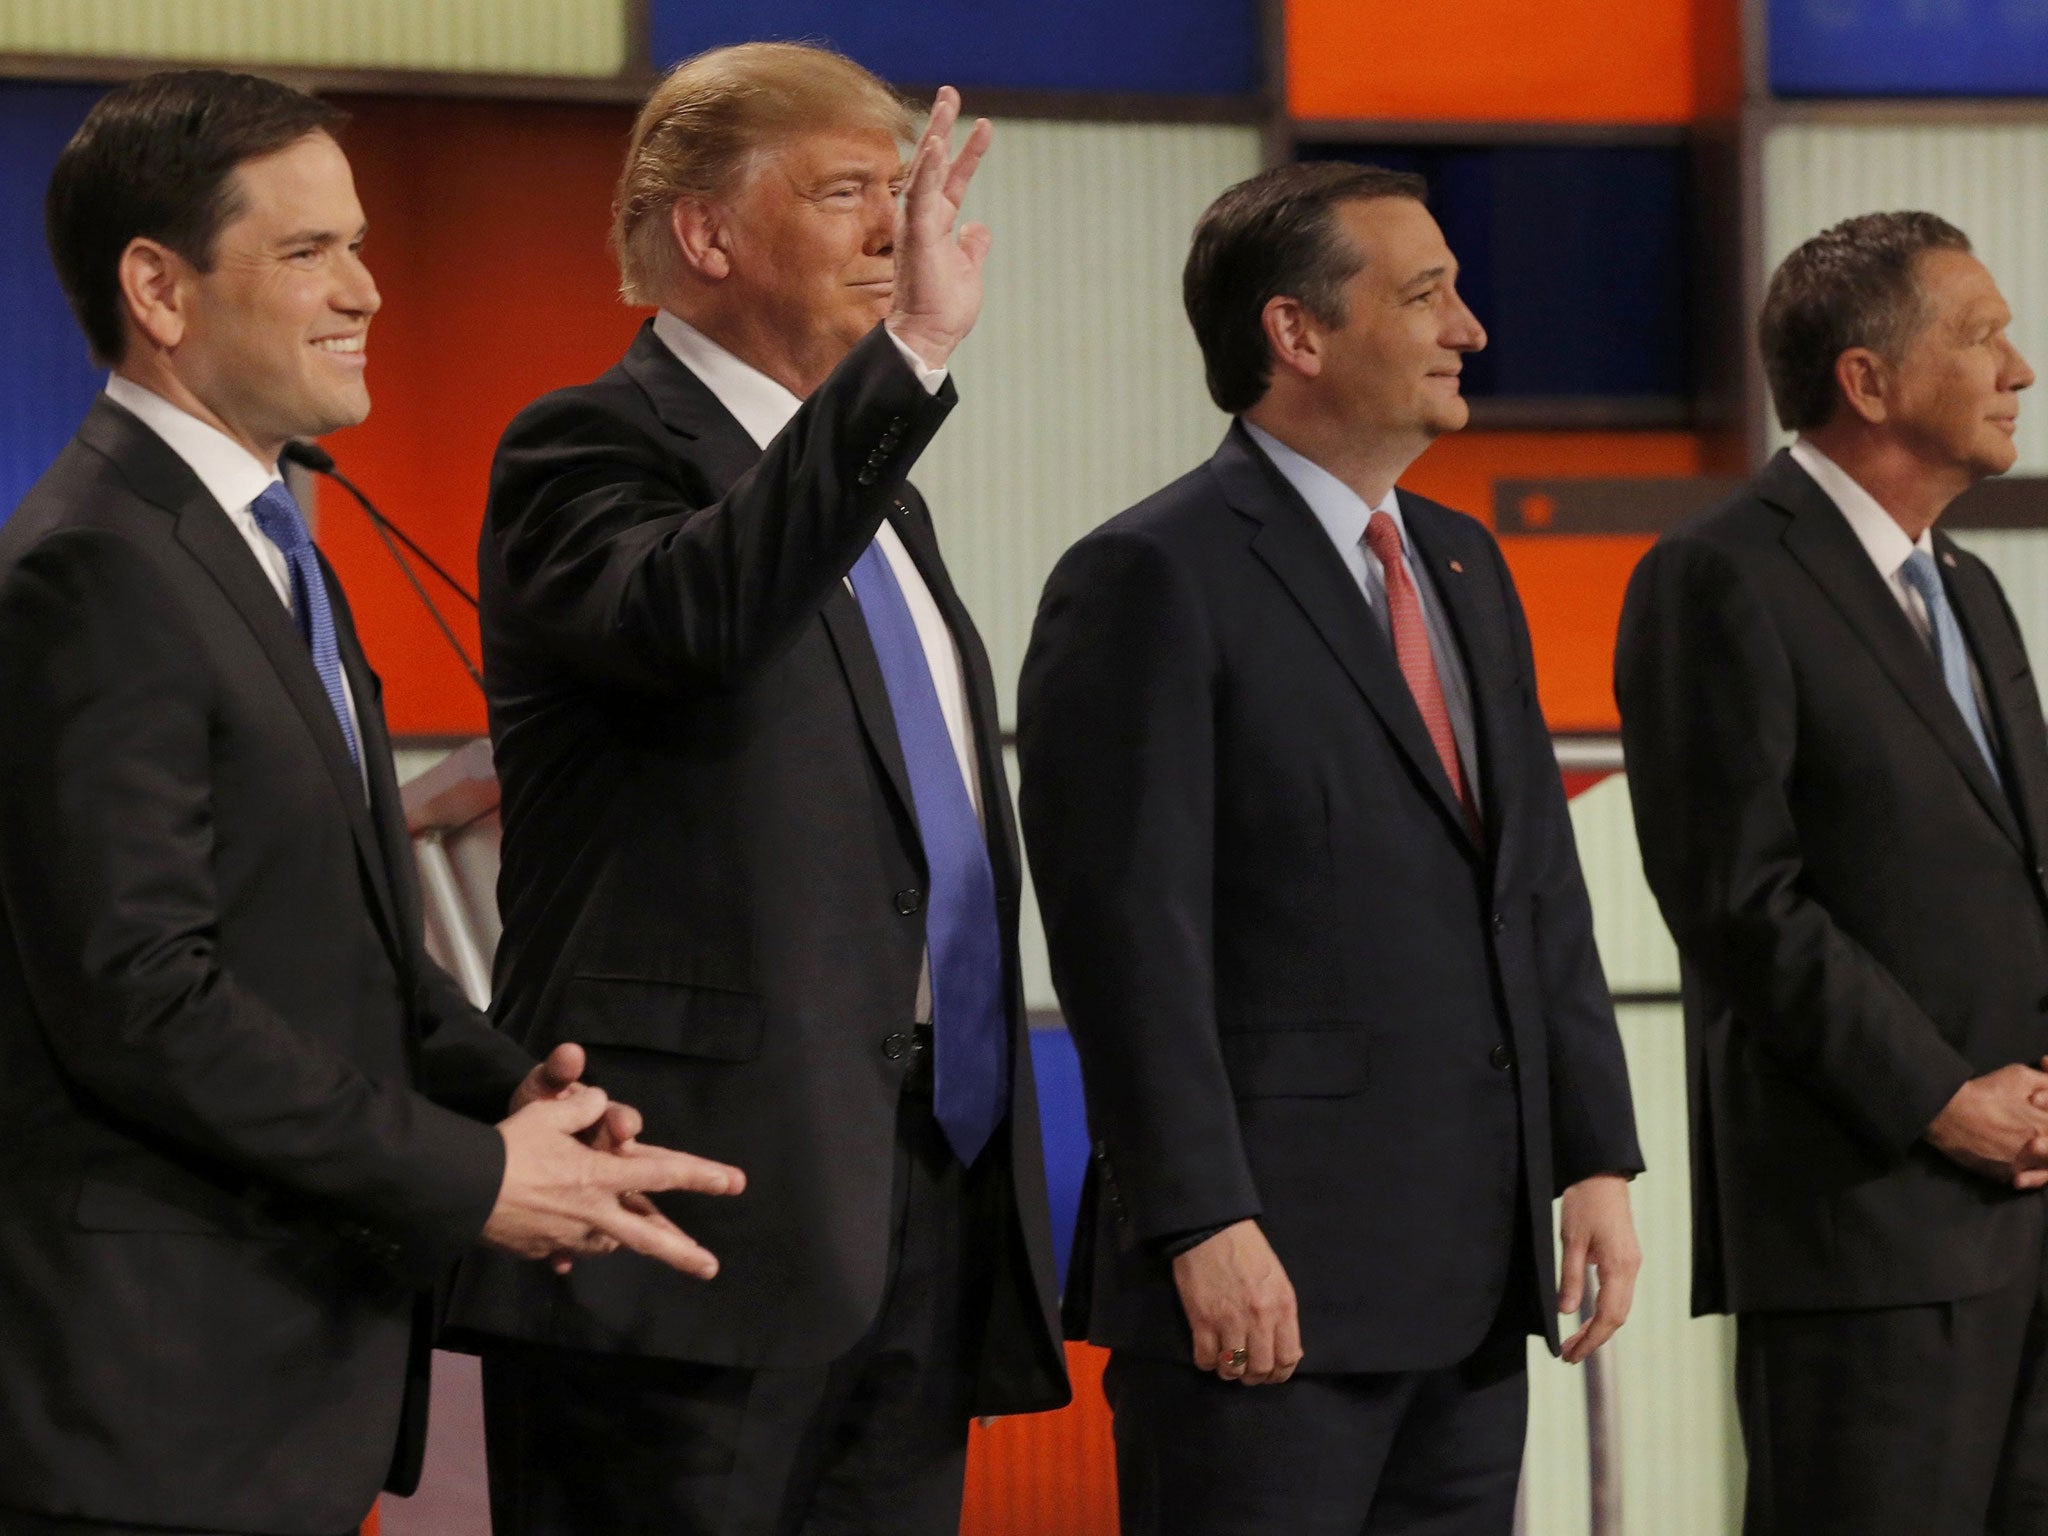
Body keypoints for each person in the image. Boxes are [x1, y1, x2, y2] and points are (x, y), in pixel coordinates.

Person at [0, 70, 743, 1536]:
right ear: (158, 285)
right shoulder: (92, 568)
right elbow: (142, 997)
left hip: (274, 1387)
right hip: (154, 1405)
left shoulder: (270, 544)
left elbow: (325, 944)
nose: (368, 289)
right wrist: (472, 1177)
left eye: (359, 243)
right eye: (307, 252)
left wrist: (505, 1086)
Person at [444, 43, 1069, 1535]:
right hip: (689, 1208)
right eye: (849, 192)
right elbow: (698, 619)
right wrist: (908, 355)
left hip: (920, 1183)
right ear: (706, 236)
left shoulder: (874, 486)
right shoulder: (588, 445)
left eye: (899, 194)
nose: (889, 232)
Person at [1016, 161, 1645, 1536]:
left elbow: (1534, 887)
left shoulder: (1470, 569)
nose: (1468, 329)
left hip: (1472, 1290)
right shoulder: (1150, 576)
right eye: (1426, 295)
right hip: (1266, 1291)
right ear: (1296, 335)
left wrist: (1594, 1152)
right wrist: (1199, 1223)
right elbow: (1130, 944)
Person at [1617, 211, 2048, 1535]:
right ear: (1865, 381)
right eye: (1981, 338)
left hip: (2026, 1222)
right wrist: (1940, 1100)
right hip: (1868, 1226)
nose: (2017, 370)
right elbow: (1736, 899)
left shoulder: (1970, 587)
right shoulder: (1719, 576)